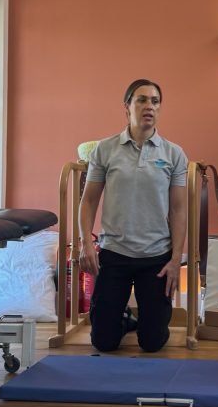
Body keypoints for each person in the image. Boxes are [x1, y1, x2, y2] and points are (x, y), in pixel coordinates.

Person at [78, 79, 188, 353]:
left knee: (152, 344)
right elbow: (89, 200)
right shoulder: (105, 149)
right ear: (126, 107)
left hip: (156, 258)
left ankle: (140, 320)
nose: (149, 106)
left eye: (155, 101)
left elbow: (178, 209)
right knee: (103, 343)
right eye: (141, 100)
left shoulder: (174, 154)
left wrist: (175, 260)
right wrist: (86, 244)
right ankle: (124, 319)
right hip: (115, 253)